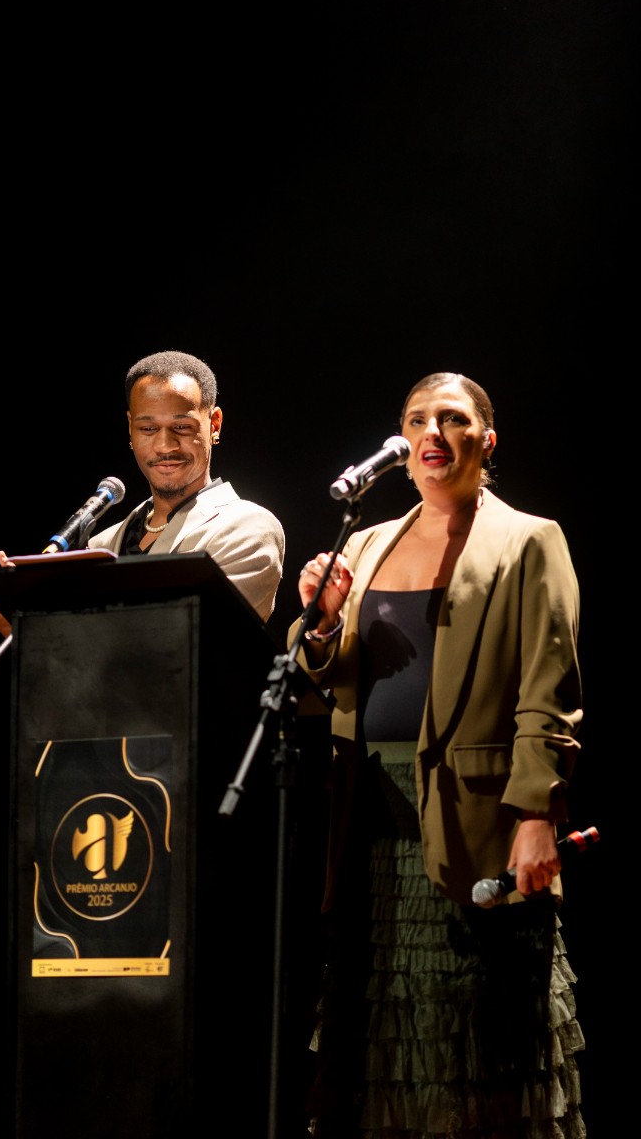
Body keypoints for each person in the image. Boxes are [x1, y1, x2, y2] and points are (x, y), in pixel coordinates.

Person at [289, 372, 585, 1138]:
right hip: (371, 826)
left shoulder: (528, 540)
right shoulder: (365, 544)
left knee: (479, 1042)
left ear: (486, 439)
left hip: (476, 820)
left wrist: (536, 815)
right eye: (418, 418)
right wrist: (322, 624)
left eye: (452, 419)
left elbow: (548, 691)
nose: (432, 432)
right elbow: (324, 677)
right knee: (380, 1042)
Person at [0, 350, 285, 630]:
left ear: (214, 424)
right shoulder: (102, 544)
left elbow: (189, 648)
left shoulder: (247, 528)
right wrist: (22, 626)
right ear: (130, 429)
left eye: (181, 427)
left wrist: (39, 627)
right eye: (148, 428)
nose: (165, 446)